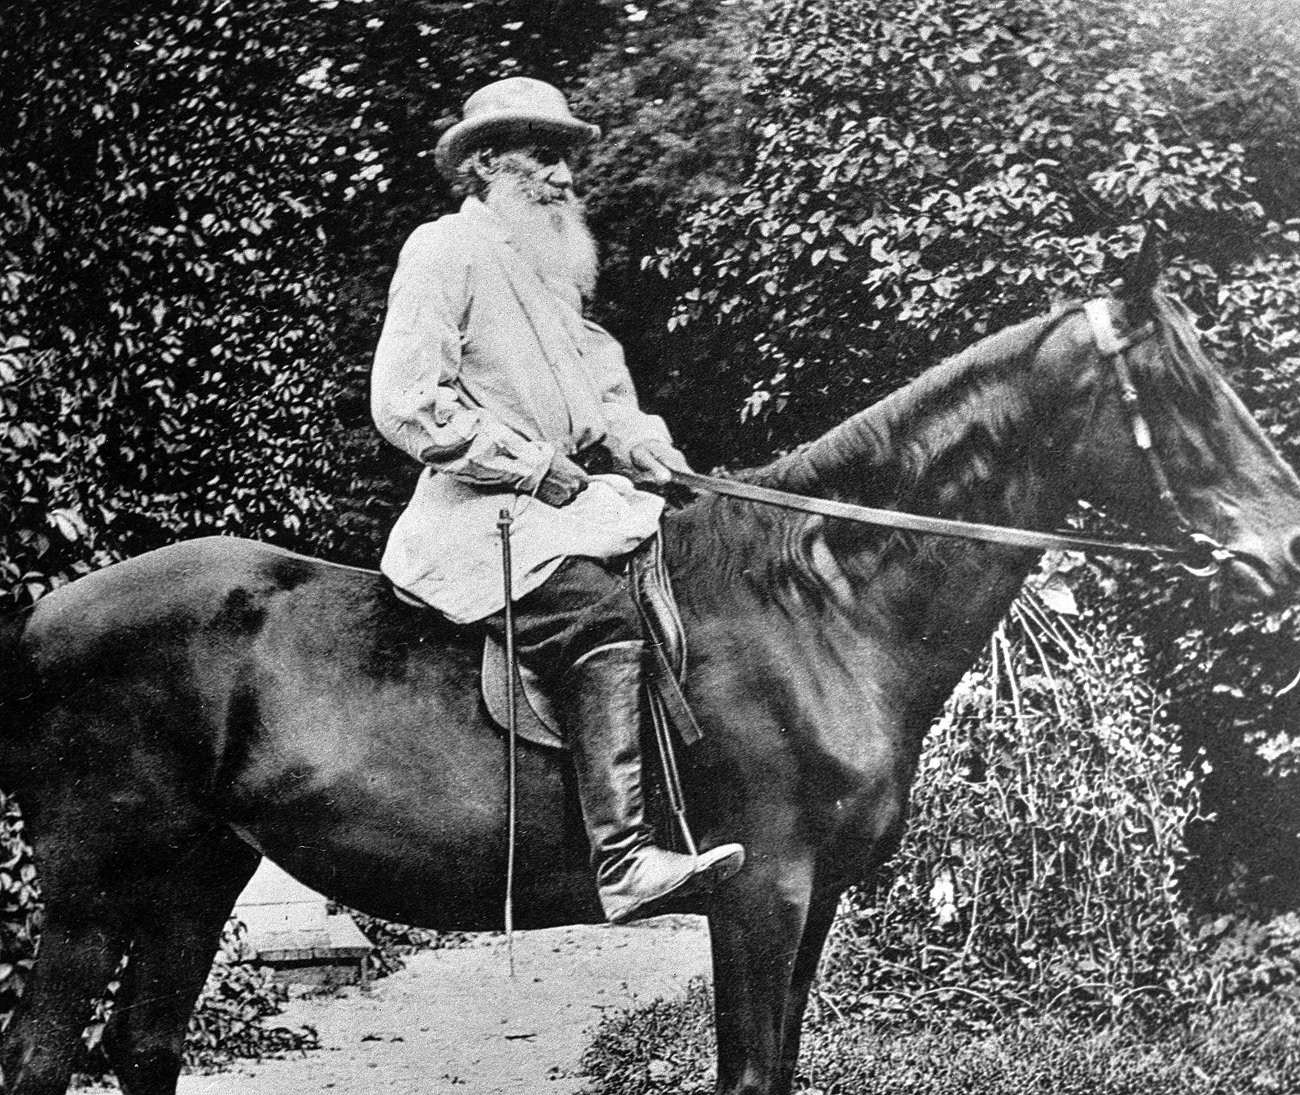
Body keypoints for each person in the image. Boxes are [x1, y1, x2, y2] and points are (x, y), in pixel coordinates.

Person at [370, 76, 745, 924]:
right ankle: (623, 860)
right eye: (544, 158)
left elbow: (607, 399)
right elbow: (405, 399)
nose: (565, 178)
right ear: (485, 166)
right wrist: (530, 463)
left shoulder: (551, 274)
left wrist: (655, 454)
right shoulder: (444, 251)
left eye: (569, 159)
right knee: (598, 612)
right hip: (481, 511)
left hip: (570, 502)